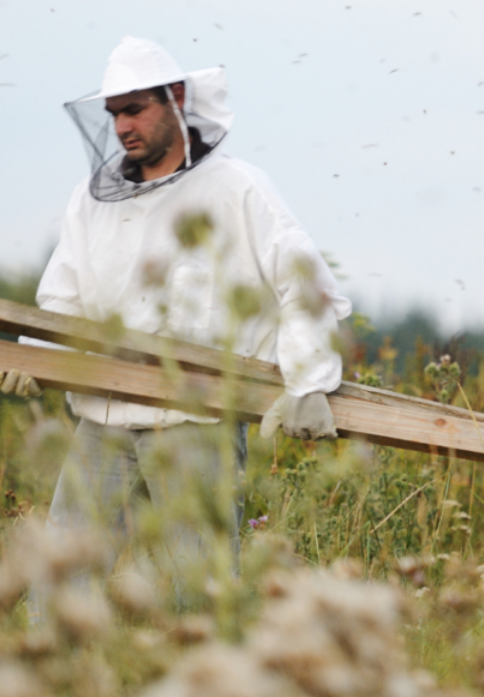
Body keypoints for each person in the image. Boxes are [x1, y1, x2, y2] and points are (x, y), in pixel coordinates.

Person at [0, 36, 350, 604]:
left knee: (200, 593)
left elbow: (306, 284)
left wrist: (309, 381)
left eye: (135, 109)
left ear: (177, 98)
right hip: (103, 421)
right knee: (60, 587)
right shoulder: (91, 201)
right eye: (114, 114)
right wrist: (34, 356)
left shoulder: (237, 188)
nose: (123, 127)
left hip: (196, 423)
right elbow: (64, 298)